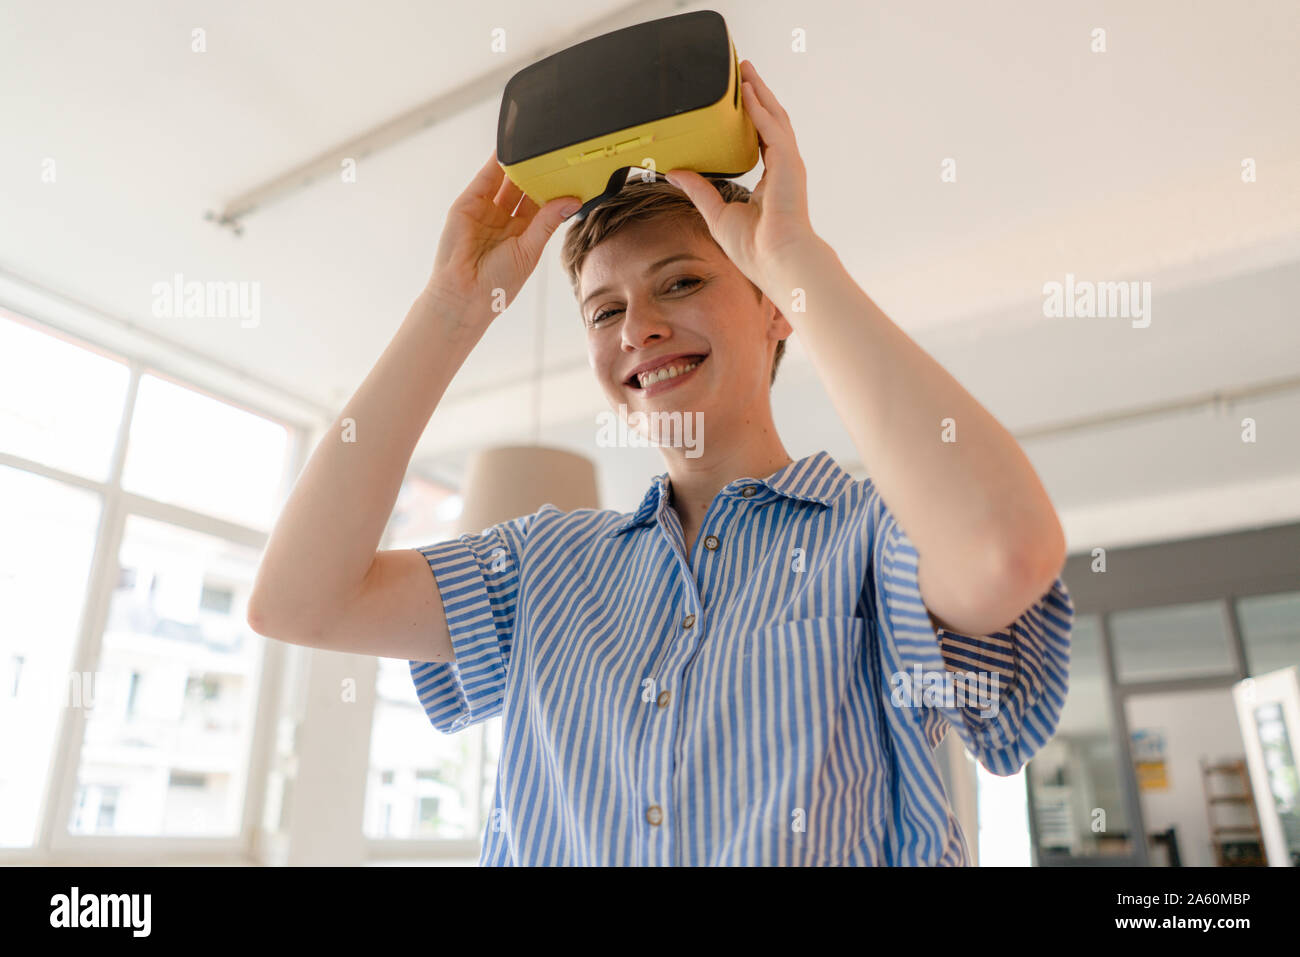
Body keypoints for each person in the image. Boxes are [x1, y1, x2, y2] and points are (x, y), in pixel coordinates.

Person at [249, 59, 1073, 865]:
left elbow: (1004, 549)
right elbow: (298, 602)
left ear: (775, 310)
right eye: (604, 309)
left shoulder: (873, 538)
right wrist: (452, 309)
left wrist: (793, 257)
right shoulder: (544, 566)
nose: (635, 327)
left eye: (679, 283)